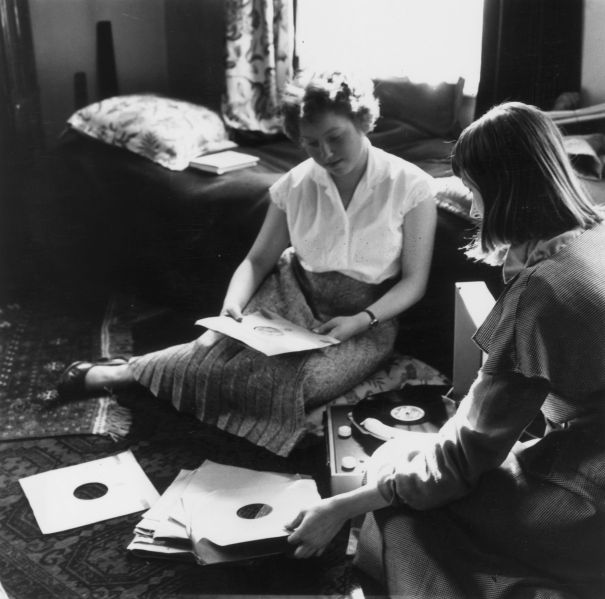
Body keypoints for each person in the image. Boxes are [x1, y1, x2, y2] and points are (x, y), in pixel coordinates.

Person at [285, 101, 605, 598]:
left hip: (588, 508)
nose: (475, 211)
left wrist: (340, 507)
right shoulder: (598, 229)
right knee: (415, 462)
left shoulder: (541, 290)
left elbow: (460, 462)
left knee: (399, 488)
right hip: (587, 459)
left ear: (503, 190)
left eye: (477, 193)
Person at [57, 71, 437, 457]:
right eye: (310, 143)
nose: (325, 154)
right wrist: (232, 306)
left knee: (300, 384)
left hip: (364, 319)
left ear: (363, 121)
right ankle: (123, 372)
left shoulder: (412, 186)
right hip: (291, 296)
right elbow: (257, 260)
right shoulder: (295, 184)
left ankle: (142, 372)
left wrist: (361, 320)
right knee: (210, 355)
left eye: (336, 137)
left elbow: (413, 281)